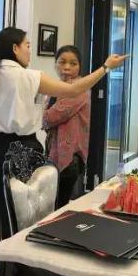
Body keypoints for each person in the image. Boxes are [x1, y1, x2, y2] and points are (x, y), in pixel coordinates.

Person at [0, 27, 127, 269]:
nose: (29, 50)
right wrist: (105, 67)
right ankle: (23, 271)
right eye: (27, 45)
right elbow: (74, 89)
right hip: (23, 151)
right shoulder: (29, 77)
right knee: (27, 216)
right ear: (15, 48)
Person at [43, 45, 90, 207]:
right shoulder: (56, 87)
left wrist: (38, 116)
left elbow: (51, 117)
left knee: (58, 206)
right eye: (62, 62)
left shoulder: (78, 90)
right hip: (53, 152)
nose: (67, 67)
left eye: (73, 63)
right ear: (55, 64)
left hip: (69, 157)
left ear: (80, 67)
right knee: (54, 204)